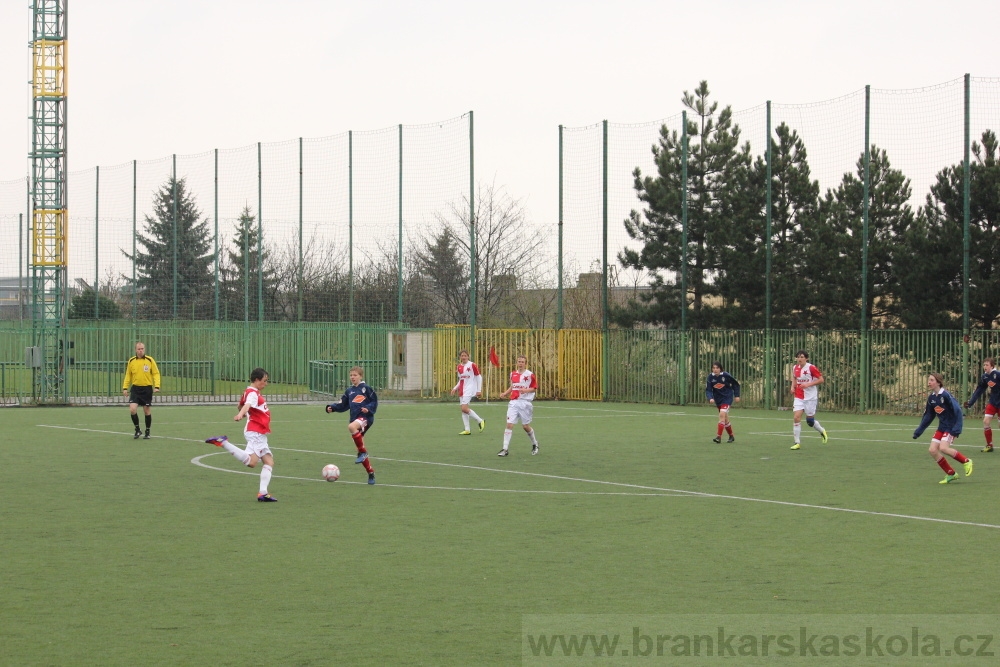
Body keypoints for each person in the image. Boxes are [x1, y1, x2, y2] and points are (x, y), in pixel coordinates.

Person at [205, 368, 277, 502]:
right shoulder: (252, 393)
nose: (266, 384)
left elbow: (241, 405)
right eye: (264, 381)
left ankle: (263, 493)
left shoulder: (249, 391)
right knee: (252, 462)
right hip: (256, 431)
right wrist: (240, 414)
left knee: (269, 461)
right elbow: (247, 405)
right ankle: (223, 442)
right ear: (256, 380)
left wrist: (242, 412)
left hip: (258, 432)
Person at [914, 373, 973, 484]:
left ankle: (966, 461)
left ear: (938, 382)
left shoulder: (945, 395)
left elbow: (958, 411)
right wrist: (919, 430)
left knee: (944, 448)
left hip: (951, 427)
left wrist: (957, 427)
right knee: (932, 450)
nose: (929, 382)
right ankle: (951, 473)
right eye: (929, 380)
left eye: (931, 380)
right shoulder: (931, 398)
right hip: (942, 427)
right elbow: (928, 416)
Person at [326, 366, 378, 485]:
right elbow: (342, 404)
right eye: (351, 375)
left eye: (355, 375)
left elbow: (374, 401)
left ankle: (363, 453)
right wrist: (332, 408)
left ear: (361, 376)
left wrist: (368, 409)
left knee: (351, 427)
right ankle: (370, 473)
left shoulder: (366, 389)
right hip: (356, 419)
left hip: (366, 418)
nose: (352, 377)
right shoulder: (349, 391)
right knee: (359, 447)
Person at [498, 355, 539, 457]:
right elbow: (513, 386)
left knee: (525, 426)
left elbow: (534, 388)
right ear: (517, 363)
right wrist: (505, 393)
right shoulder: (513, 374)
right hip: (514, 402)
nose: (520, 363)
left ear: (525, 363)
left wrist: (526, 390)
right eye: (519, 361)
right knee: (509, 424)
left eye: (522, 362)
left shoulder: (530, 375)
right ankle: (505, 449)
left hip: (525, 403)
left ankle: (535, 444)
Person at [790, 350, 828, 450]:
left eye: (802, 357)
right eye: (798, 357)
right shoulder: (795, 367)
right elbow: (794, 378)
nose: (799, 359)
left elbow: (821, 380)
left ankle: (822, 430)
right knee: (796, 417)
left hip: (810, 397)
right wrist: (792, 387)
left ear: (806, 358)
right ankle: (797, 442)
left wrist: (808, 384)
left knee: (810, 421)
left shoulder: (811, 367)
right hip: (799, 396)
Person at [122, 341, 160, 440]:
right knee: (132, 409)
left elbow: (156, 373)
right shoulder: (131, 361)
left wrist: (157, 386)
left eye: (142, 349)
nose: (140, 351)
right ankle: (137, 429)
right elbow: (128, 375)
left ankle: (147, 431)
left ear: (144, 349)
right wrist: (125, 387)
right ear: (136, 350)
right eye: (138, 349)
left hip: (147, 388)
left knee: (146, 411)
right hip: (135, 388)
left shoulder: (150, 360)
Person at [964, 357, 1000, 453]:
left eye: (987, 365)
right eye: (984, 365)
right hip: (993, 402)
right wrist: (970, 402)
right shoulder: (985, 377)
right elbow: (979, 390)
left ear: (992, 366)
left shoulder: (997, 374)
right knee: (986, 421)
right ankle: (989, 445)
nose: (985, 367)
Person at [450, 349, 485, 435]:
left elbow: (478, 377)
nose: (464, 357)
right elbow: (461, 379)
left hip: (470, 389)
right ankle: (467, 429)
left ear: (468, 356)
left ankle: (480, 420)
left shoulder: (472, 365)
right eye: (462, 356)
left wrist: (478, 390)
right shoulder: (459, 367)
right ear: (460, 357)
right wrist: (455, 388)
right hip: (462, 390)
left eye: (465, 355)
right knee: (463, 410)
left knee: (464, 408)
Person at [706, 361, 740, 443]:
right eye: (713, 368)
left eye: (717, 368)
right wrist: (710, 398)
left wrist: (737, 395)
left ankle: (718, 437)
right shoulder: (710, 377)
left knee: (721, 414)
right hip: (718, 400)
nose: (715, 370)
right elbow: (708, 390)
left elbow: (735, 384)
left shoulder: (726, 375)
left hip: (727, 398)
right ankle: (731, 436)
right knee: (725, 419)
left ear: (720, 369)